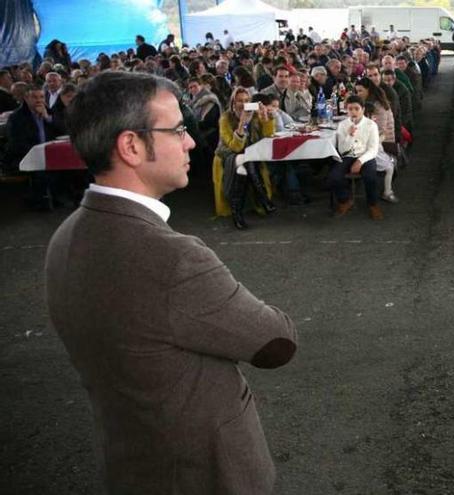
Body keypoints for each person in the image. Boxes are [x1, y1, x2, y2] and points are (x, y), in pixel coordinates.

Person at [45, 70, 296, 494]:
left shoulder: (68, 234)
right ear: (131, 146)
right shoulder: (172, 258)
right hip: (202, 472)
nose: (191, 142)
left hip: (132, 460)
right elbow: (276, 343)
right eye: (178, 129)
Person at [213, 86, 277, 229]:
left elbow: (267, 137)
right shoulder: (226, 118)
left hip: (247, 155)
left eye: (247, 100)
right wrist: (242, 123)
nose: (243, 104)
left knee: (243, 166)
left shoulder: (254, 115)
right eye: (239, 101)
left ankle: (238, 213)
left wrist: (265, 117)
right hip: (227, 154)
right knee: (244, 160)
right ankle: (263, 199)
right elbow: (234, 147)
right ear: (233, 103)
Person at [330, 95, 383, 220]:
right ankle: (345, 200)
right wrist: (349, 135)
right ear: (346, 110)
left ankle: (373, 204)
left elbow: (373, 149)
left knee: (370, 176)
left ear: (363, 109)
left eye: (356, 109)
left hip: (365, 156)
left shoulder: (371, 125)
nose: (353, 112)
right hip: (348, 155)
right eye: (350, 109)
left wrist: (360, 161)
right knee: (334, 176)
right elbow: (342, 150)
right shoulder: (342, 125)